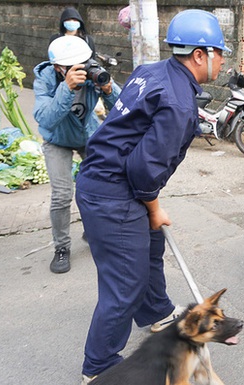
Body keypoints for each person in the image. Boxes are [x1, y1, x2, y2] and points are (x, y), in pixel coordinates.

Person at [74, 10, 229, 383]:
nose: (222, 61)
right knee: (124, 284)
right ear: (199, 55)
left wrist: (151, 211)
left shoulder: (152, 71)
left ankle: (157, 311)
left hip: (107, 180)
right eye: (219, 53)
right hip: (113, 192)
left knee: (151, 244)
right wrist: (154, 207)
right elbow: (143, 170)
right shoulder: (178, 103)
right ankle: (98, 366)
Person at [33, 36, 120, 274]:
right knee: (62, 194)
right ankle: (61, 248)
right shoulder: (46, 79)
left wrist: (109, 89)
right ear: (58, 68)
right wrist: (67, 87)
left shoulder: (92, 73)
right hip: (57, 140)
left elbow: (124, 106)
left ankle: (93, 232)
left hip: (86, 135)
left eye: (85, 63)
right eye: (73, 66)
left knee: (99, 186)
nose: (81, 69)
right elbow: (46, 119)